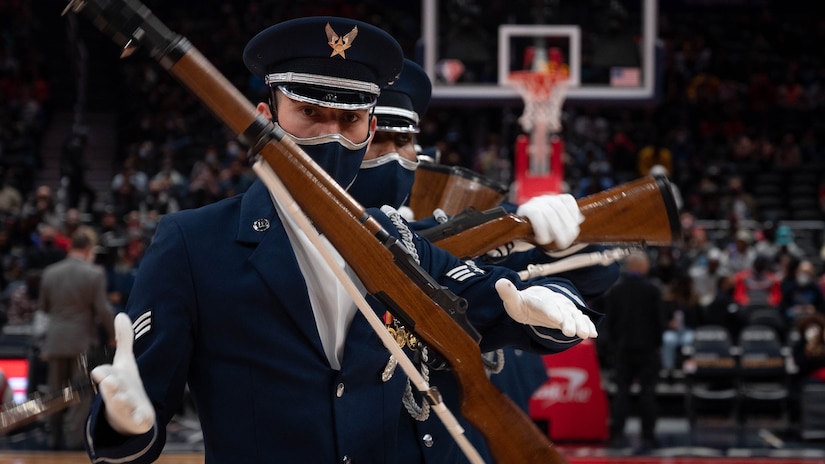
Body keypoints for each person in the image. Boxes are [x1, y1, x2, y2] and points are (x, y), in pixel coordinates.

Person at [84, 17, 600, 464]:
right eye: (309, 113)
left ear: (369, 129)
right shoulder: (194, 244)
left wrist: (547, 306)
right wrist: (123, 421)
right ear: (266, 118)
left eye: (349, 120)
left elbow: (494, 300)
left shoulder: (398, 239)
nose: (331, 134)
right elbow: (136, 427)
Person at [349, 58, 619, 463]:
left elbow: (598, 272)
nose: (390, 154)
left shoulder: (458, 225)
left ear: (421, 152)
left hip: (460, 430)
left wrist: (558, 241)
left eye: (401, 141)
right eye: (378, 140)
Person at [39, 227, 115, 450]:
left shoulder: (50, 272)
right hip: (81, 340)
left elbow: (43, 308)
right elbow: (103, 310)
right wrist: (113, 335)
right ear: (88, 249)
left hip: (55, 341)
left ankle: (54, 439)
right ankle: (74, 442)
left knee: (54, 392)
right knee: (80, 394)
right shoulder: (94, 273)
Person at [603, 251, 667, 449]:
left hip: (622, 349)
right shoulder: (653, 290)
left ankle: (617, 434)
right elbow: (660, 322)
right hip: (647, 349)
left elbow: (608, 322)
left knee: (621, 393)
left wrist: (614, 345)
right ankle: (648, 435)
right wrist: (657, 345)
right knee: (647, 393)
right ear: (642, 267)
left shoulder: (616, 290)